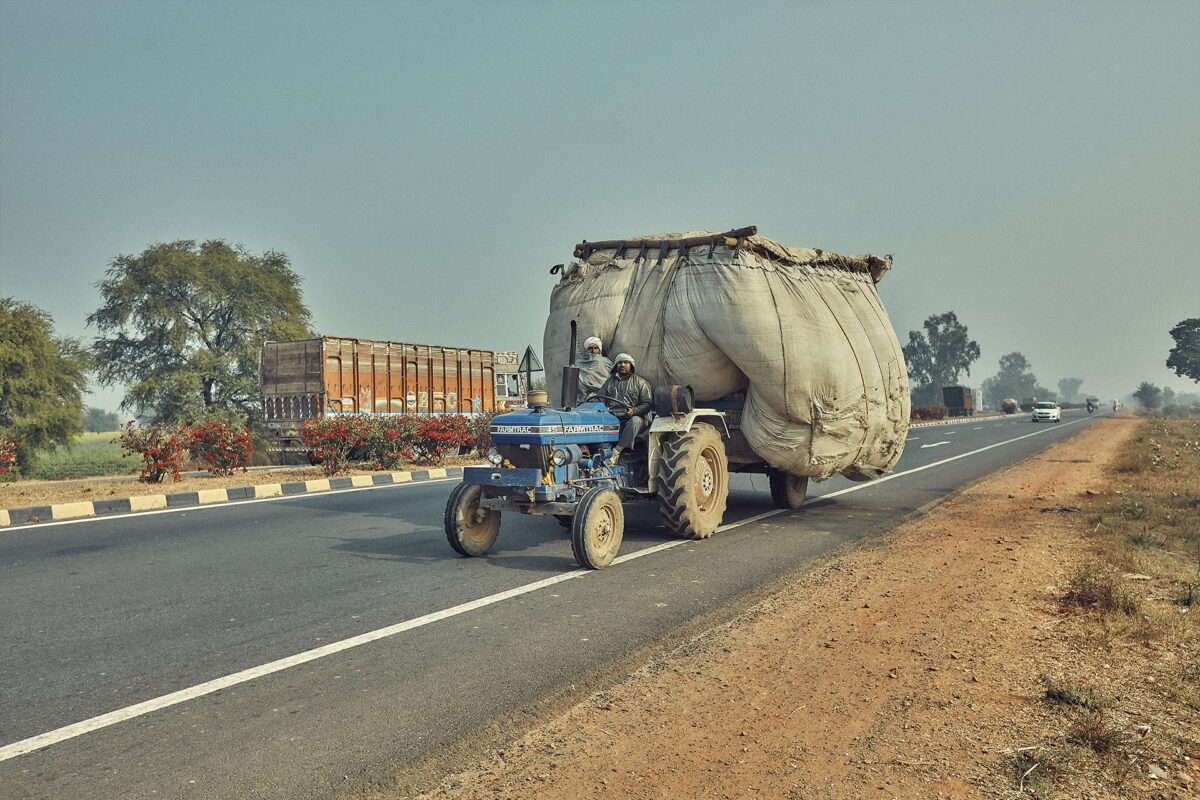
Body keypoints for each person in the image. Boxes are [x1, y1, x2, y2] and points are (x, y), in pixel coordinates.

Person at [593, 352, 652, 466]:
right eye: (620, 362)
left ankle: (616, 452)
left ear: (631, 365)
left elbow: (648, 404)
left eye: (626, 362)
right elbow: (599, 399)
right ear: (616, 365)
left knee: (635, 421)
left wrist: (634, 411)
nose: (623, 365)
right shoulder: (609, 382)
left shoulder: (641, 382)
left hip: (632, 419)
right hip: (612, 417)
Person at [576, 336, 613, 403]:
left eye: (596, 348)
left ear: (599, 349)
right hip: (580, 401)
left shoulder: (607, 363)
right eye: (590, 348)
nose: (593, 351)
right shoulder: (578, 363)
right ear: (586, 349)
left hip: (600, 400)